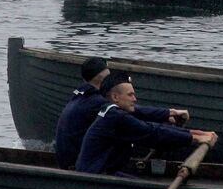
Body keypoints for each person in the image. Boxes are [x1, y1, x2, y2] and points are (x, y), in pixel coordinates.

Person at [53, 57, 190, 169]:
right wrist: (168, 113)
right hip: (76, 167)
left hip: (69, 160)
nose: (134, 99)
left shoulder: (81, 95)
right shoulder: (96, 102)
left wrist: (166, 117)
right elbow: (135, 112)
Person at [74, 72, 215, 175]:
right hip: (95, 178)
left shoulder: (111, 112)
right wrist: (194, 138)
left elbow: (151, 125)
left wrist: (195, 133)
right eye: (130, 95)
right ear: (115, 97)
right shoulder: (116, 118)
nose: (135, 99)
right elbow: (152, 133)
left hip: (101, 173)